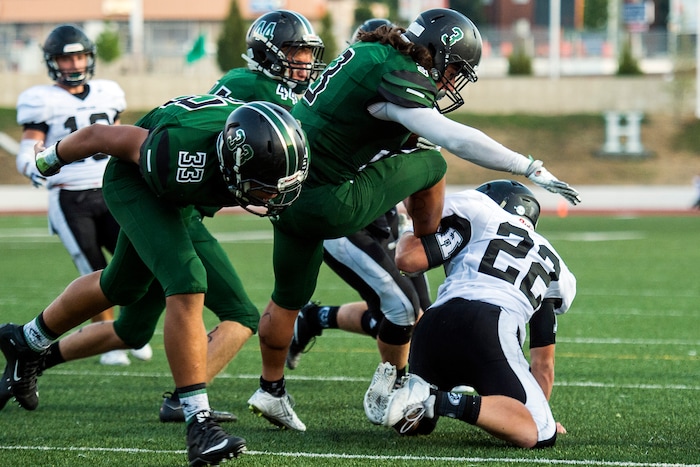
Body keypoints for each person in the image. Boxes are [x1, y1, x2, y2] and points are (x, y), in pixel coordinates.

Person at [247, 7, 581, 432]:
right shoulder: (396, 70)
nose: (452, 81)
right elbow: (453, 137)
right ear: (439, 53)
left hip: (287, 195)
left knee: (286, 299)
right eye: (456, 68)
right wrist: (528, 165)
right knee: (431, 159)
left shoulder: (371, 56)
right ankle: (426, 245)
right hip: (328, 199)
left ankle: (270, 389)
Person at [1, 97, 309, 466]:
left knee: (122, 287)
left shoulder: (266, 143)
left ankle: (26, 340)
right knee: (187, 279)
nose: (273, 194)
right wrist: (48, 159)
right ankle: (199, 424)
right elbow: (102, 136)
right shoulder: (179, 152)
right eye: (264, 186)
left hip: (180, 195)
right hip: (136, 182)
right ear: (233, 160)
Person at [365, 180, 575, 448]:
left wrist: (407, 231)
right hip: (489, 328)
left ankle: (411, 396)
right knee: (542, 431)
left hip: (433, 327)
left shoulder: (478, 213)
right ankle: (435, 399)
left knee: (417, 424)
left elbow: (408, 261)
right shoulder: (553, 262)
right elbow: (543, 364)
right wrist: (532, 413)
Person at [285, 18, 433, 375]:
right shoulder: (345, 105)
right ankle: (402, 386)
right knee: (401, 313)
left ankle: (315, 318)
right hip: (344, 217)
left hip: (384, 218)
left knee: (418, 314)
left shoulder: (404, 100)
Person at [14, 24, 151, 366]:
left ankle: (131, 330)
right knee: (94, 271)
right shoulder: (41, 99)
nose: (74, 64)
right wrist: (33, 166)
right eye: (66, 57)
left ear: (89, 58)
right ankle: (109, 343)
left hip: (112, 191)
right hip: (70, 197)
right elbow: (29, 145)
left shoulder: (108, 91)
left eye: (79, 56)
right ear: (52, 62)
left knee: (136, 262)